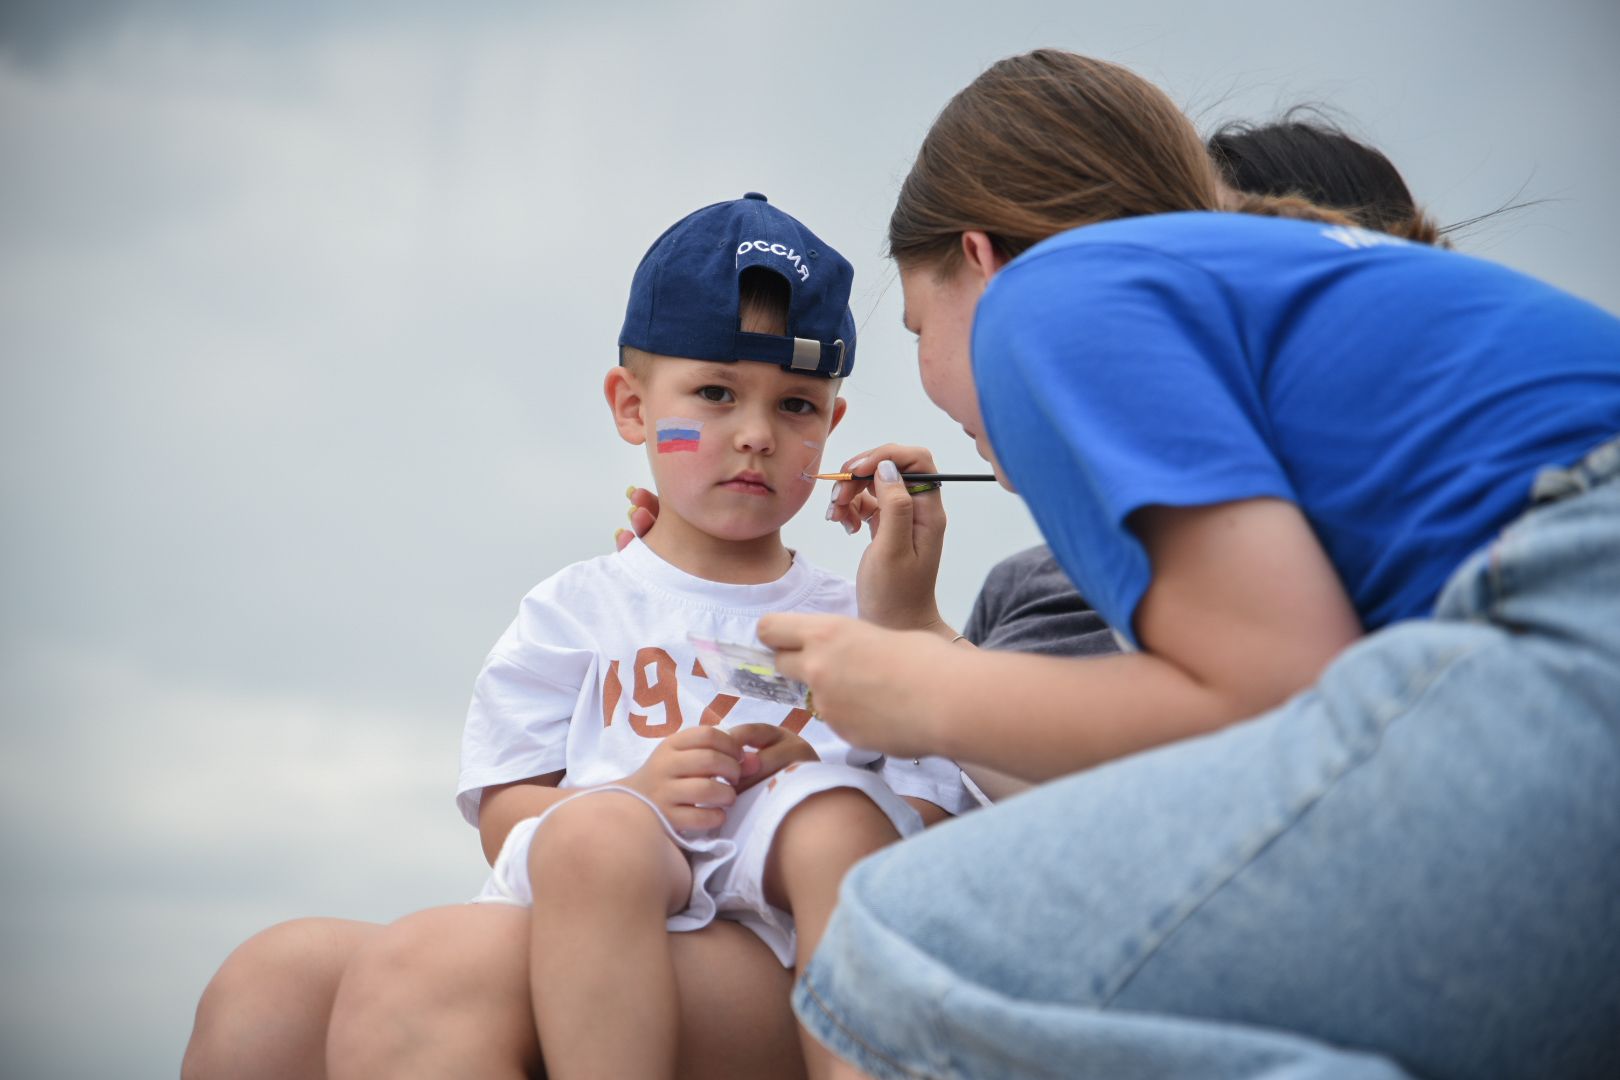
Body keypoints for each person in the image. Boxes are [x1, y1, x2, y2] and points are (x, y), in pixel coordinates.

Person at [752, 49, 1620, 1079]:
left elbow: (1276, 699)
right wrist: (926, 644)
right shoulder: (1291, 287)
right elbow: (1247, 772)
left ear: (980, 258)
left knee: (885, 950)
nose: (934, 373)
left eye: (917, 327)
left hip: (1574, 634)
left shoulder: (1050, 291)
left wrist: (927, 688)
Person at [182, 194, 970, 1080]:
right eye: (714, 393)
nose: (755, 434)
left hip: (756, 954)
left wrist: (849, 712)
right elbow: (506, 803)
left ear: (832, 430)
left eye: (795, 406)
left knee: (814, 820)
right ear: (631, 408)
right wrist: (633, 797)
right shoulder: (575, 608)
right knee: (272, 978)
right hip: (581, 911)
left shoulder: (865, 618)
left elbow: (934, 824)